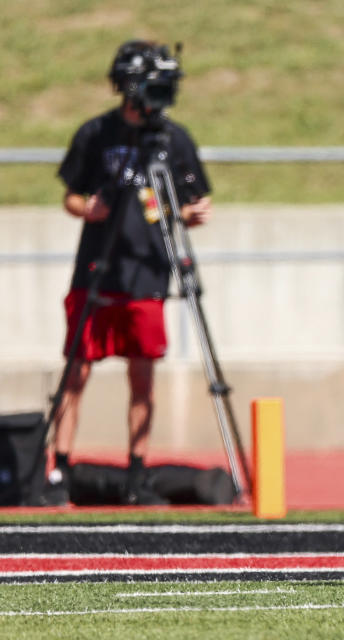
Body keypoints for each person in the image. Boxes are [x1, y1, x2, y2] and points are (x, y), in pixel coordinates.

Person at [43, 40, 212, 506]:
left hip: (148, 273)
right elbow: (70, 195)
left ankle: (137, 474)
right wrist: (88, 209)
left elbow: (196, 200)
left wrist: (196, 213)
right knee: (75, 373)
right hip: (96, 271)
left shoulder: (173, 139)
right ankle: (59, 470)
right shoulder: (96, 133)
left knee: (143, 379)